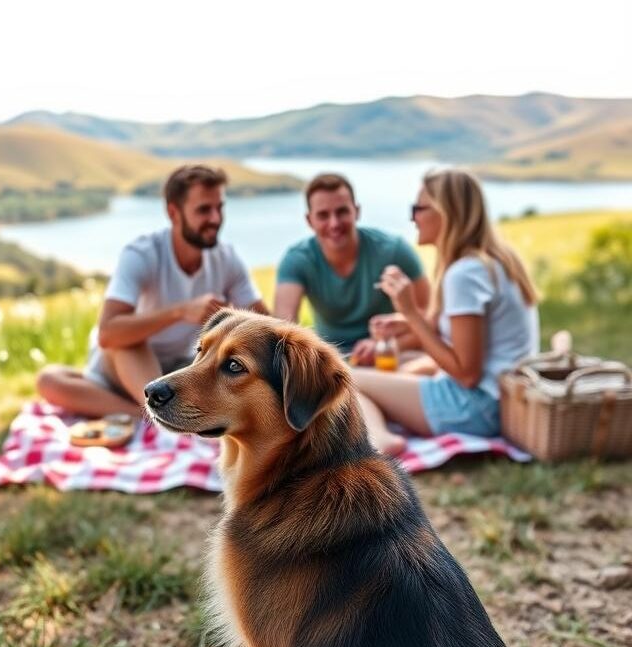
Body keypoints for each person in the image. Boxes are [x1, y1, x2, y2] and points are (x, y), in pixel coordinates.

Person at [36, 165, 268, 417]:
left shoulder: (227, 259)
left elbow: (267, 325)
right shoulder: (142, 254)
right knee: (50, 379)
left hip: (180, 367)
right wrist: (180, 312)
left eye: (219, 208)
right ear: (174, 213)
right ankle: (150, 414)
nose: (215, 218)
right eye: (203, 210)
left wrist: (230, 318)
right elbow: (108, 333)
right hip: (126, 365)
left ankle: (140, 413)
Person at [353, 168, 540, 455]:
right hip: (503, 400)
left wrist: (412, 314)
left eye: (418, 208)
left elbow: (466, 374)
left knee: (348, 378)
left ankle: (381, 441)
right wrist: (405, 321)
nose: (412, 217)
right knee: (403, 361)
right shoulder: (493, 261)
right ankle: (383, 421)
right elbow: (462, 333)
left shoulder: (465, 274)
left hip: (476, 409)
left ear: (446, 212)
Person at [274, 173, 431, 365]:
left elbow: (430, 322)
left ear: (357, 211)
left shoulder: (394, 251)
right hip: (332, 364)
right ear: (309, 220)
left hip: (388, 355)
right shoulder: (297, 260)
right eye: (323, 215)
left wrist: (383, 345)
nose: (334, 223)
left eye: (342, 212)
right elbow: (283, 331)